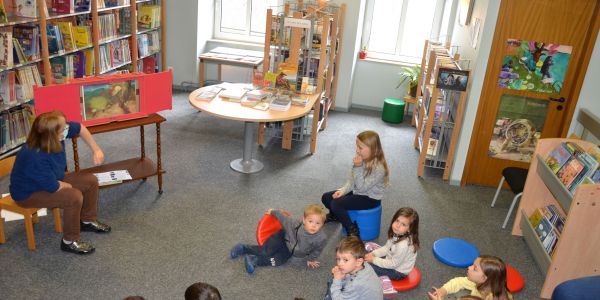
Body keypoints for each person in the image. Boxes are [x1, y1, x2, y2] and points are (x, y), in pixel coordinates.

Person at [9, 111, 110, 254]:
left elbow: (80, 128)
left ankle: (87, 221)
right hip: (28, 193)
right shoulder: (35, 155)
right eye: (63, 128)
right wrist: (67, 186)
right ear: (52, 135)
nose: (67, 129)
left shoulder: (53, 137)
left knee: (91, 181)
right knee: (73, 197)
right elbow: (53, 186)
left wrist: (96, 150)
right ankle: (69, 241)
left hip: (52, 178)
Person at [321, 130, 389, 237]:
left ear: (373, 149)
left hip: (370, 199)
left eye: (360, 148)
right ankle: (336, 216)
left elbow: (362, 188)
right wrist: (342, 191)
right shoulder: (362, 158)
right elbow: (352, 181)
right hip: (357, 192)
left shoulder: (379, 168)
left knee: (336, 204)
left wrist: (358, 167)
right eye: (357, 147)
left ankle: (352, 230)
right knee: (326, 197)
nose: (357, 150)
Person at [230, 204, 327, 274]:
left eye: (318, 223)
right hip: (281, 237)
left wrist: (310, 259)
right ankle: (243, 248)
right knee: (266, 251)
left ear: (322, 224)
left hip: (289, 251)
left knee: (278, 261)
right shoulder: (295, 224)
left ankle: (254, 260)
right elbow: (283, 218)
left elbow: (317, 250)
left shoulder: (321, 238)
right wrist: (272, 211)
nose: (314, 225)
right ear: (304, 220)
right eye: (311, 221)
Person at [364, 207, 420, 280]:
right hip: (392, 259)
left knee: (365, 265)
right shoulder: (397, 233)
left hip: (398, 272)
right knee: (366, 255)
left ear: (409, 229)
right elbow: (386, 248)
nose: (398, 225)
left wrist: (373, 260)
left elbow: (393, 264)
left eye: (403, 224)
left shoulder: (403, 245)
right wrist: (373, 254)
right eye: (397, 221)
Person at [428, 255, 513, 300]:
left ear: (484, 279)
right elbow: (459, 282)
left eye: (474, 268)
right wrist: (444, 290)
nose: (469, 267)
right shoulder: (485, 284)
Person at [324, 236, 383, 300]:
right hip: (361, 291)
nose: (340, 264)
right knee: (332, 282)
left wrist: (337, 280)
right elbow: (352, 277)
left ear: (358, 262)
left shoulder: (356, 284)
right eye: (338, 259)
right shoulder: (364, 265)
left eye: (345, 260)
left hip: (357, 289)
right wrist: (342, 277)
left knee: (332, 287)